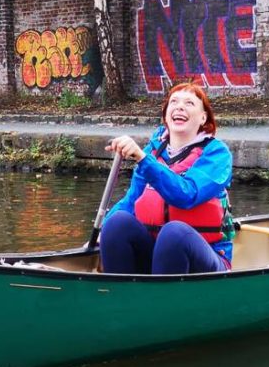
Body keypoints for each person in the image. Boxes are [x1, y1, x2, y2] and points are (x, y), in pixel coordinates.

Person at [100, 83, 233, 274]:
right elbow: (131, 201)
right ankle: (118, 297)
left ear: (203, 118)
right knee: (116, 223)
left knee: (174, 233)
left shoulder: (217, 154)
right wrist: (102, 233)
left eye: (189, 103)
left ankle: (163, 301)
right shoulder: (153, 152)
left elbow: (187, 194)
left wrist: (143, 160)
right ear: (165, 115)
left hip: (204, 258)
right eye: (174, 102)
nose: (180, 106)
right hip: (156, 254)